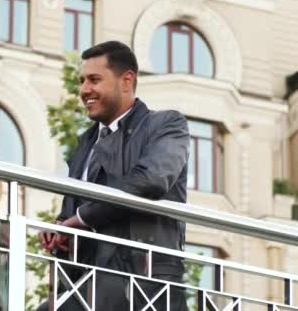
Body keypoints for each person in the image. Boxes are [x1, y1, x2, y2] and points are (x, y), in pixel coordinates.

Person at [39, 41, 189, 310]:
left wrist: (79, 219)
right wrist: (60, 227)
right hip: (85, 279)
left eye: (94, 80)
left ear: (126, 80)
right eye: (82, 81)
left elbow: (150, 181)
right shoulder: (85, 142)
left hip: (142, 282)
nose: (84, 90)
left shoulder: (166, 124)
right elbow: (73, 209)